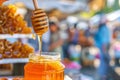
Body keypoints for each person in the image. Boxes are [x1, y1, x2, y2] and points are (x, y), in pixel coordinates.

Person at [93, 14, 111, 80]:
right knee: (103, 62)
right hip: (103, 48)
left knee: (103, 62)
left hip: (102, 47)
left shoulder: (102, 28)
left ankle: (103, 75)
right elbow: (104, 40)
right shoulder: (103, 28)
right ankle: (103, 76)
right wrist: (104, 49)